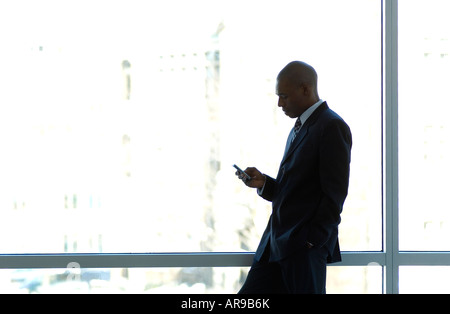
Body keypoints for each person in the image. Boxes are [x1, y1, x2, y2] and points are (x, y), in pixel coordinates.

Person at [236, 61, 352, 294]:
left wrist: (311, 242)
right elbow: (298, 190)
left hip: (302, 248)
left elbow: (335, 194)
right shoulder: (300, 126)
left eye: (284, 96)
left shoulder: (331, 126)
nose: (279, 103)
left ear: (306, 89)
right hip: (275, 245)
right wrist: (265, 184)